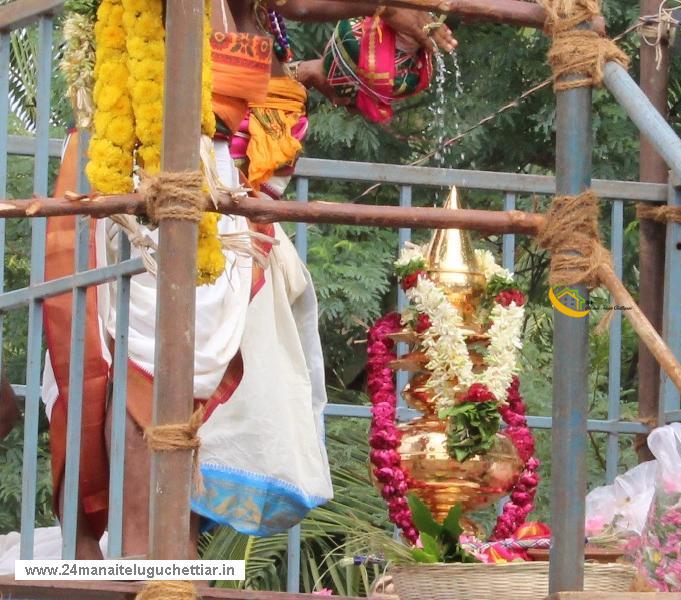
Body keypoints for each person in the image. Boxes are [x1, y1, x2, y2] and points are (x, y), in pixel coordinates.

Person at [41, 0, 456, 560]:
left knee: (196, 376)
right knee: (148, 363)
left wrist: (309, 74)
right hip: (152, 183)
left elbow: (253, 102)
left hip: (219, 203)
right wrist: (387, 6)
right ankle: (137, 554)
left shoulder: (262, 17)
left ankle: (171, 551)